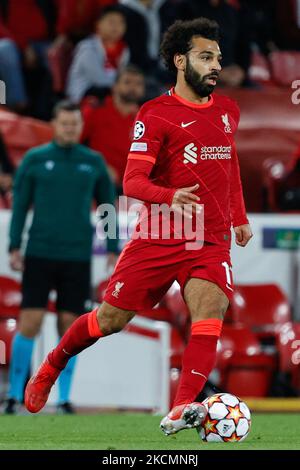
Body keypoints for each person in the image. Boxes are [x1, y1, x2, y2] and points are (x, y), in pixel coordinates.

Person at [24, 18, 252, 436]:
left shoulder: (228, 110)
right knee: (108, 321)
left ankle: (181, 409)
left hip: (210, 238)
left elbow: (230, 162)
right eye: (206, 57)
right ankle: (54, 361)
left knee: (211, 309)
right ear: (181, 61)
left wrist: (238, 216)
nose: (216, 65)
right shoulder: (155, 114)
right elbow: (132, 182)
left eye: (218, 57)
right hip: (159, 236)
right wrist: (170, 197)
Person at [4, 100, 118, 414]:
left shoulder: (93, 162)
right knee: (30, 322)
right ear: (54, 124)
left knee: (70, 327)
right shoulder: (35, 159)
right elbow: (20, 206)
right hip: (40, 252)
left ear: (81, 127)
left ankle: (64, 398)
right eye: (64, 123)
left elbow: (107, 206)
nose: (70, 128)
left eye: (75, 124)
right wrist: (14, 245)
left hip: (77, 256)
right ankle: (14, 396)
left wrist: (112, 247)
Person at [81, 64, 145, 189]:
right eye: (127, 82)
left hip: (132, 188)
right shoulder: (95, 110)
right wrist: (99, 166)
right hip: (96, 182)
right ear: (114, 87)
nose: (133, 88)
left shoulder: (146, 119)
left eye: (138, 84)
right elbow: (74, 144)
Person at [66, 5, 129, 103]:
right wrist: (123, 87)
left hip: (111, 91)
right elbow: (98, 79)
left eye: (121, 23)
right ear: (98, 25)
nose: (116, 26)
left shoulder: (124, 49)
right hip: (84, 94)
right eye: (111, 22)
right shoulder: (87, 47)